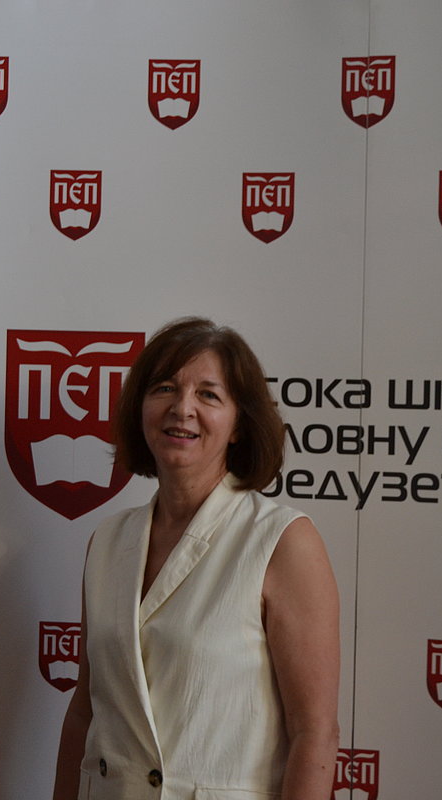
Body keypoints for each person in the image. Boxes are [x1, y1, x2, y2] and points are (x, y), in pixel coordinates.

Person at [53, 317, 340, 800]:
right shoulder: (106, 541)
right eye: (164, 388)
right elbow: (84, 709)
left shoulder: (283, 541)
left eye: (208, 395)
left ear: (238, 425)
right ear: (140, 408)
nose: (182, 408)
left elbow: (315, 733)